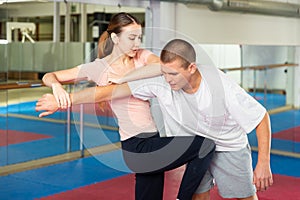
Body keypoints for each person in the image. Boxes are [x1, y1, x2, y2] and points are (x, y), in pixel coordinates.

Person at [36, 38, 273, 200]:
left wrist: (263, 163)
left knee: (244, 196)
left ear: (191, 67)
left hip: (227, 145)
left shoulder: (219, 85)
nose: (167, 79)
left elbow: (261, 117)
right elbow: (107, 92)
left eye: (173, 74)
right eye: (164, 72)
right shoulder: (161, 80)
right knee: (198, 195)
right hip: (196, 147)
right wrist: (64, 100)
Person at [38, 13, 215, 200]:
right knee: (205, 145)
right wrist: (57, 87)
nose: (137, 43)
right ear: (115, 38)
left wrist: (125, 78)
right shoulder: (98, 68)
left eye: (139, 37)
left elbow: (162, 66)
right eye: (131, 38)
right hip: (136, 145)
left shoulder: (141, 57)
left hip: (153, 138)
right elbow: (49, 76)